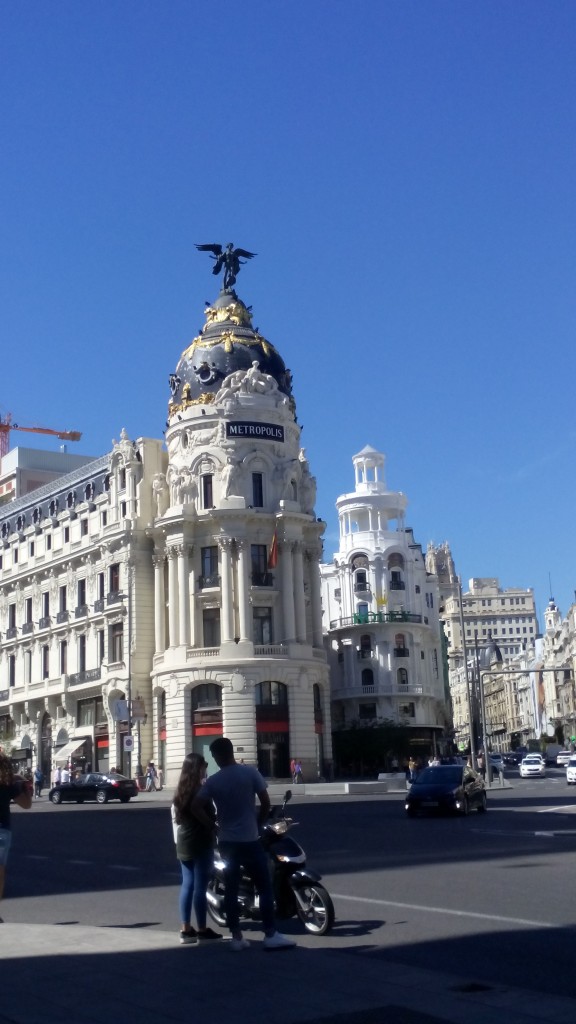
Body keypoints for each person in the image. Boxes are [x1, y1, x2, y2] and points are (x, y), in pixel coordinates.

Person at [191, 736, 296, 952]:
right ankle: (270, 934)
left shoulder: (214, 781)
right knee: (265, 887)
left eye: (213, 756)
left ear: (220, 755)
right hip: (251, 840)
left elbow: (196, 806)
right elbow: (265, 802)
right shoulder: (250, 773)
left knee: (230, 889)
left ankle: (237, 937)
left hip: (228, 843)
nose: (214, 760)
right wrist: (258, 824)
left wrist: (212, 825)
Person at [171, 753, 222, 945]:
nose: (206, 767)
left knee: (187, 884)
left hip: (184, 840)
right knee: (200, 887)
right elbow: (198, 810)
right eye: (204, 764)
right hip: (200, 840)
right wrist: (212, 824)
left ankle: (186, 929)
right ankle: (202, 929)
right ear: (197, 767)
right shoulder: (200, 790)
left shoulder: (181, 789)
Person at [0, 751, 32, 917]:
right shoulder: (9, 783)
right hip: (2, 830)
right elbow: (27, 805)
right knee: (0, 872)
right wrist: (26, 788)